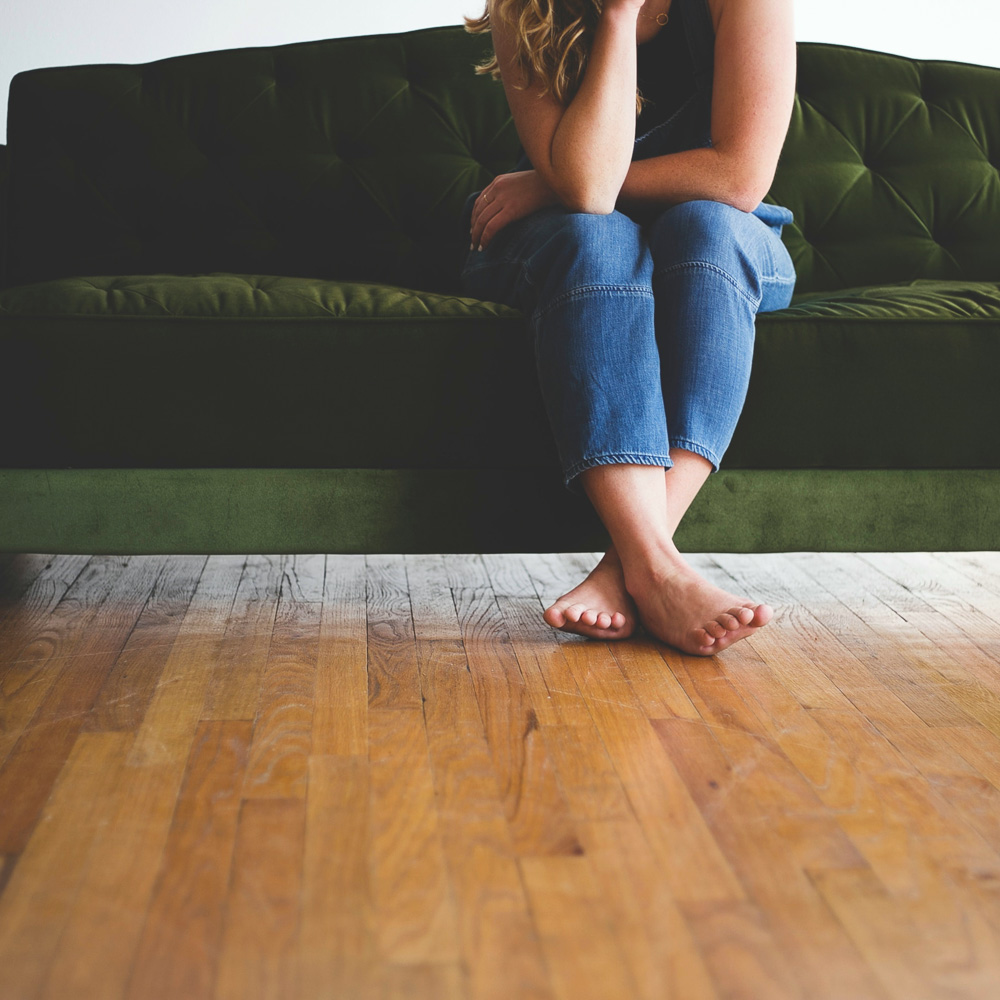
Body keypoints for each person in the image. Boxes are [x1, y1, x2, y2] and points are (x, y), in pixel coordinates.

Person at [458, 0, 797, 655]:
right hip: (566, 235)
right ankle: (660, 570)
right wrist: (618, 16)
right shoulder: (524, 9)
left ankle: (634, 566)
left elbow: (737, 177)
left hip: (722, 231)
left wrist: (541, 183)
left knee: (707, 226)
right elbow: (587, 191)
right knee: (599, 239)